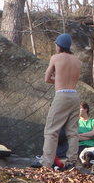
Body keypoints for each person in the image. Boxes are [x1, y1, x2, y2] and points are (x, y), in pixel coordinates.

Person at [32, 33, 82, 169]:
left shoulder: (55, 58)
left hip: (62, 95)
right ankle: (72, 161)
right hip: (74, 96)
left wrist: (56, 78)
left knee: (51, 130)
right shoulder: (77, 61)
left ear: (59, 45)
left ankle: (46, 162)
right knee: (72, 131)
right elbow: (72, 79)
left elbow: (47, 78)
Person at [55, 102, 94, 168]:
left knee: (92, 155)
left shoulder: (93, 121)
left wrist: (80, 135)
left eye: (79, 108)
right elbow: (73, 137)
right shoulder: (75, 122)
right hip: (79, 146)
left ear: (85, 109)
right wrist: (90, 137)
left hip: (92, 146)